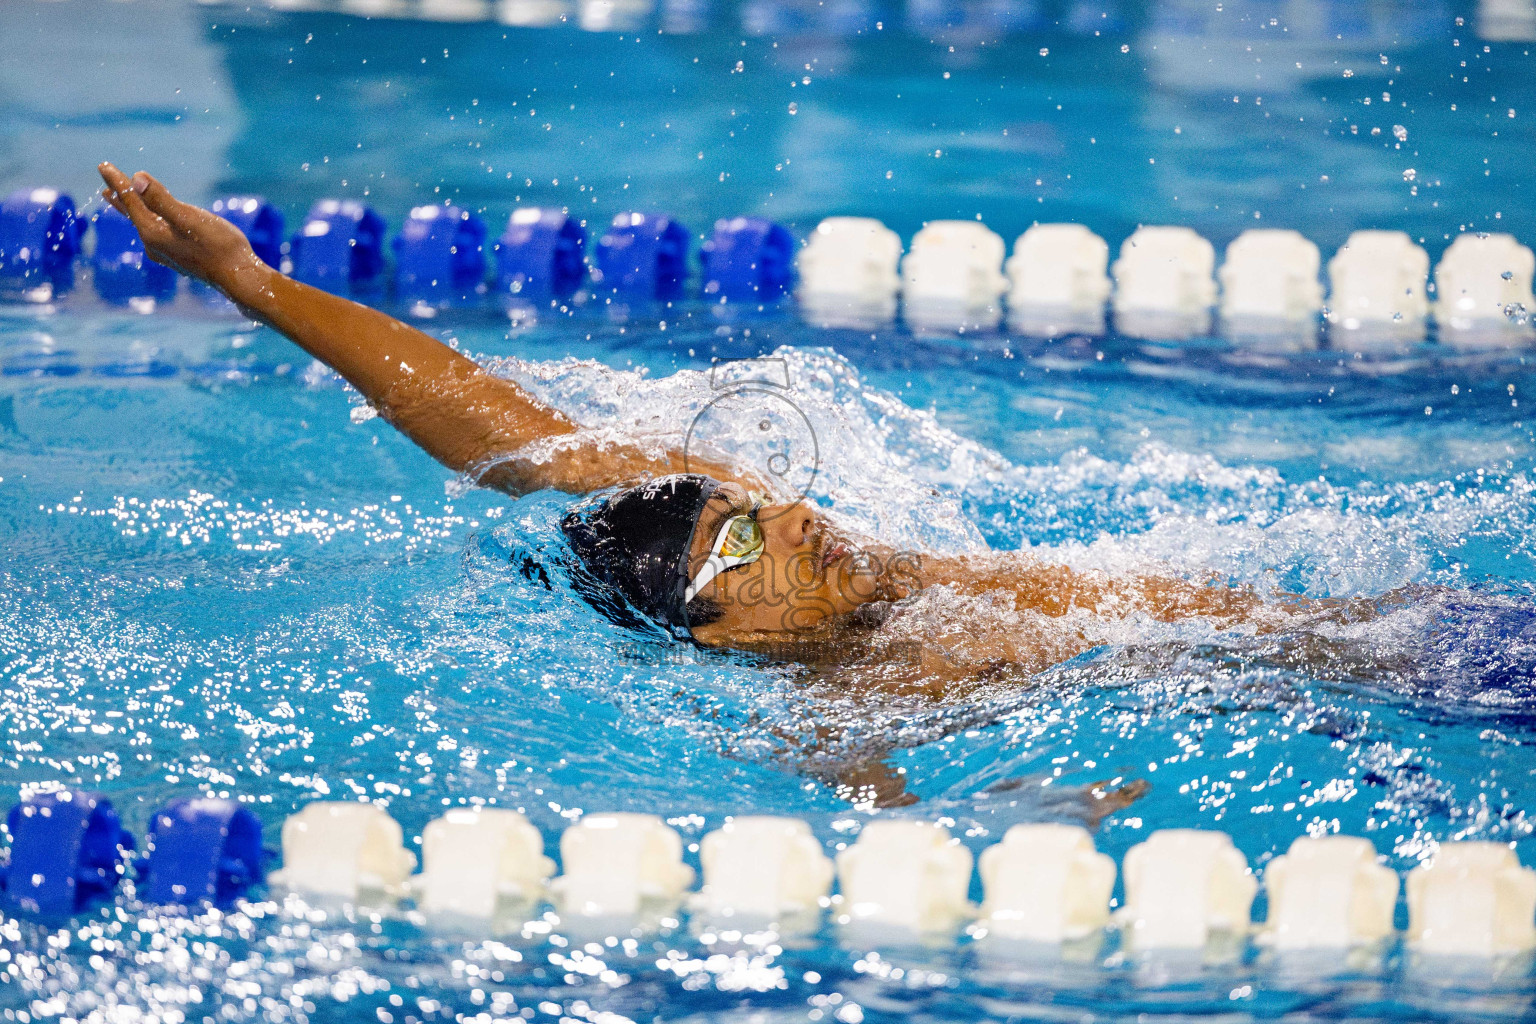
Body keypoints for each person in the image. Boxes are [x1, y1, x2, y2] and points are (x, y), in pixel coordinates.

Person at [96, 163, 1335, 807]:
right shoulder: (835, 710)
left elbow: (513, 445)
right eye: (743, 543)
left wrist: (254, 285)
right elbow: (912, 833)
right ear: (717, 635)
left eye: (756, 505)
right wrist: (1042, 818)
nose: (793, 514)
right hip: (1351, 695)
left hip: (1361, 638)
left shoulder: (854, 580)